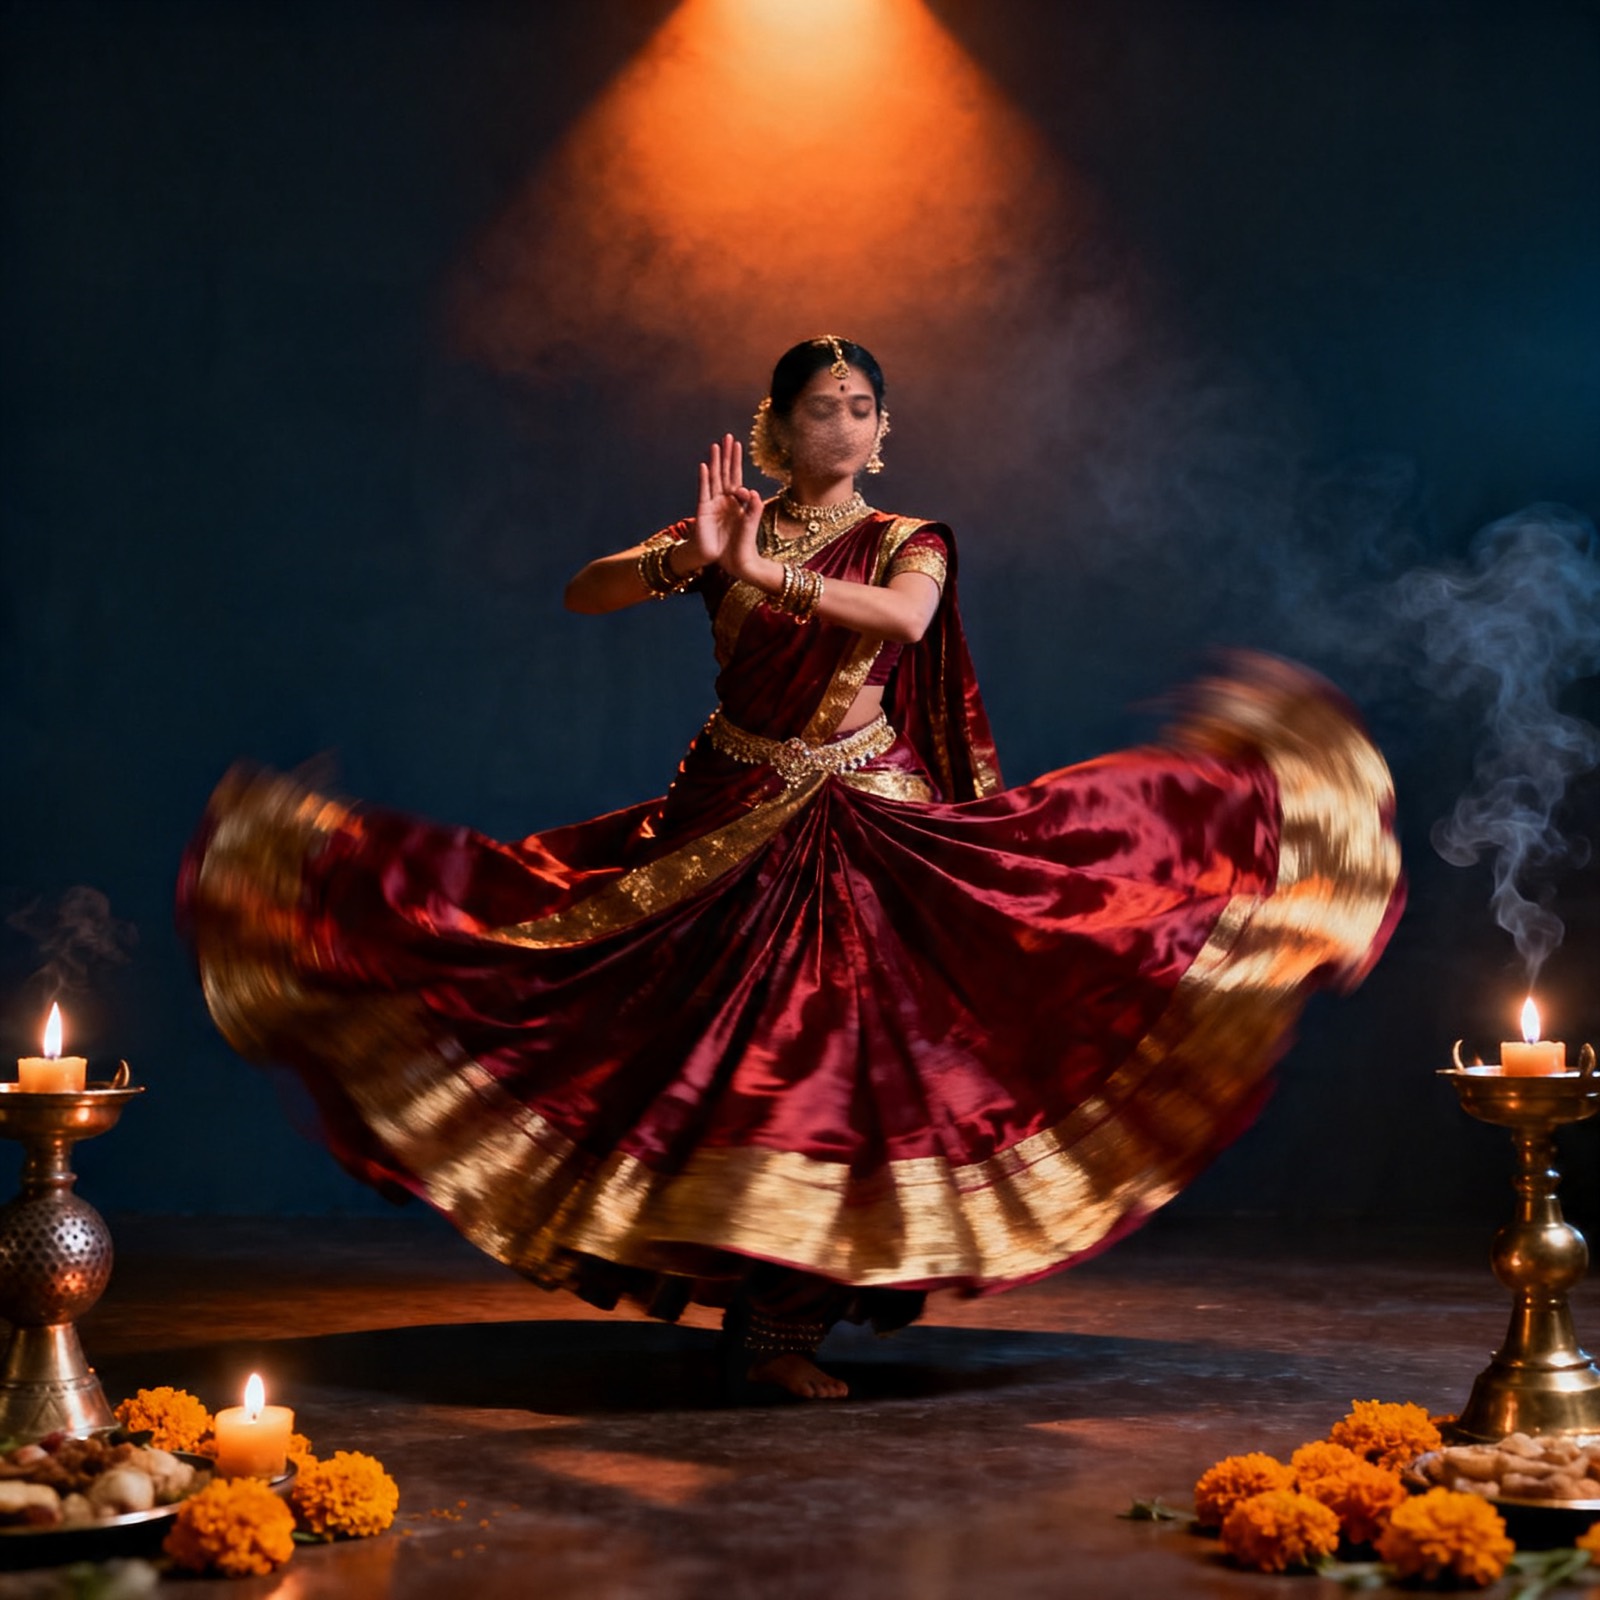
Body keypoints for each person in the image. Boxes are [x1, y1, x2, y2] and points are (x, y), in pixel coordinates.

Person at [179, 335, 1404, 1402]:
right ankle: (739, 1294)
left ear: (881, 431)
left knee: (834, 1074)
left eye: (862, 408)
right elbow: (581, 589)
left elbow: (907, 623)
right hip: (720, 818)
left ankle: (780, 1327)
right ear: (775, 425)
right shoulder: (729, 526)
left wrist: (766, 574)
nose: (844, 426)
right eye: (821, 406)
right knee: (665, 1049)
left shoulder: (904, 538)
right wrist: (689, 559)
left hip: (859, 827)